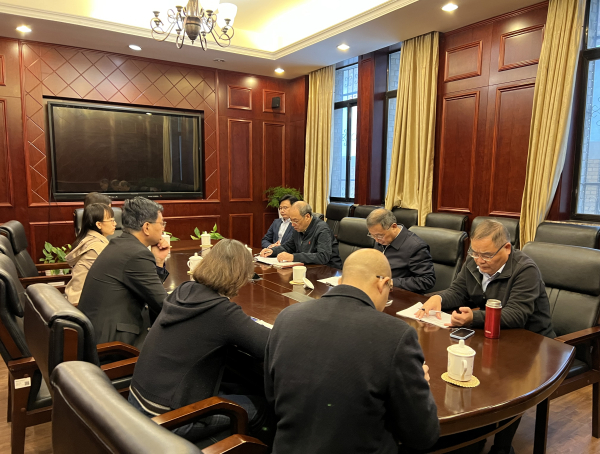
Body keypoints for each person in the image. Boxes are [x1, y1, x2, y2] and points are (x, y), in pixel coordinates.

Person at [264, 248, 439, 453]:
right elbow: (423, 435)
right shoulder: (396, 335)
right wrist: (418, 384)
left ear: (340, 281)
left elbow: (271, 397)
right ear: (383, 284)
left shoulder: (286, 317)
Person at [416, 219, 556, 454]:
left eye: (487, 255)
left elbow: (516, 315)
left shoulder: (525, 270)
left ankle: (502, 448)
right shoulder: (474, 261)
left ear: (507, 248)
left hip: (532, 344)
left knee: (506, 381)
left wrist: (474, 318)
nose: (479, 261)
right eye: (475, 253)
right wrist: (438, 299)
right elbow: (457, 291)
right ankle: (468, 434)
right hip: (493, 336)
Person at [128, 239, 272, 446]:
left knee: (237, 384)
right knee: (263, 408)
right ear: (241, 275)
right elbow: (269, 345)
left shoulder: (184, 289)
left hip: (138, 402)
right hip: (168, 418)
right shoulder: (222, 312)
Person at [78, 197, 170, 348]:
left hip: (97, 333)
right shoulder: (136, 254)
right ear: (146, 227)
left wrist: (158, 261)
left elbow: (151, 294)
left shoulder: (120, 244)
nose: (163, 228)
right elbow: (162, 303)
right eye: (161, 223)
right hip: (114, 344)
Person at [366, 208, 435, 293]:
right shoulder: (381, 240)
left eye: (379, 236)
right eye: (373, 236)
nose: (376, 240)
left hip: (400, 294)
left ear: (394, 227)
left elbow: (427, 280)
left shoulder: (416, 246)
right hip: (378, 290)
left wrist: (392, 282)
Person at [260, 201, 342, 269]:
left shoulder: (322, 229)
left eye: (295, 221)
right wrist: (272, 251)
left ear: (307, 216)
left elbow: (323, 257)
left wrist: (293, 257)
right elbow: (289, 247)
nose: (292, 224)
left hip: (328, 270)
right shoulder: (298, 228)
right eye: (291, 220)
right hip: (308, 268)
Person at [65, 203, 115, 305]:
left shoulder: (88, 239)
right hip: (82, 303)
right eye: (111, 220)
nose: (115, 223)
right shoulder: (96, 247)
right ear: (99, 224)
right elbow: (113, 274)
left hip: (77, 296)